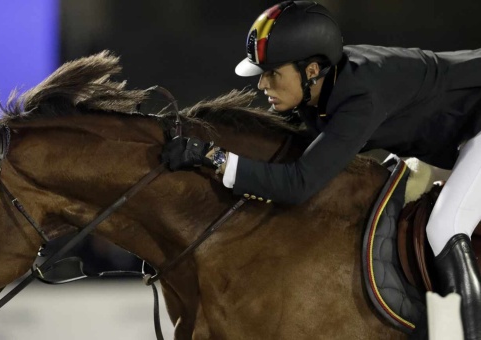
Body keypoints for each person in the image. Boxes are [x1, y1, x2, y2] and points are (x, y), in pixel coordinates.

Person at [161, 1, 481, 338]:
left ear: (311, 70)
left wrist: (215, 157)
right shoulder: (322, 87)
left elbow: (298, 184)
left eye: (272, 73)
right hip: (451, 137)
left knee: (445, 225)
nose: (262, 85)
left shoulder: (359, 96)